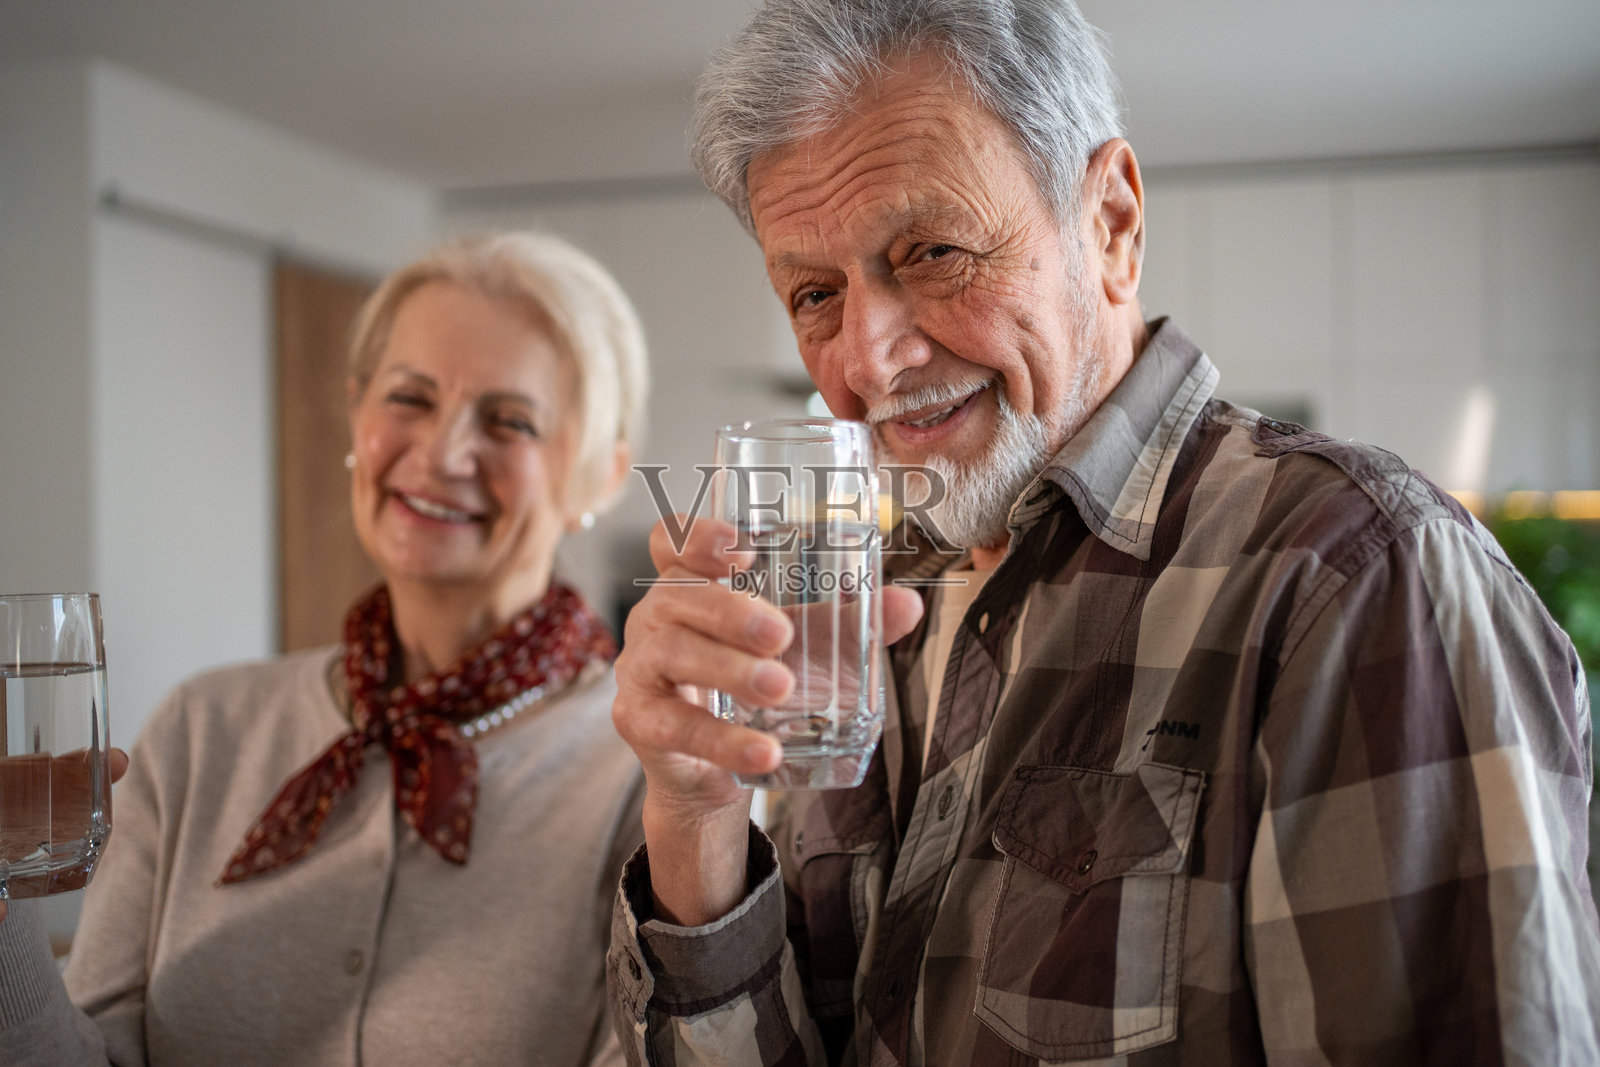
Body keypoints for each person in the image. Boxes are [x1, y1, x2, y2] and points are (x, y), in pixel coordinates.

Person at [605, 1, 1600, 1063]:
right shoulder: (862, 607)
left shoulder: (1353, 573)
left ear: (1112, 224)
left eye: (933, 250)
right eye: (814, 293)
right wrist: (697, 817)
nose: (865, 360)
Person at [0, 230, 650, 1065]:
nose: (442, 453)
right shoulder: (200, 730)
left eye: (509, 419)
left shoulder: (648, 774)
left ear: (601, 474)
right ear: (357, 413)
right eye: (409, 397)